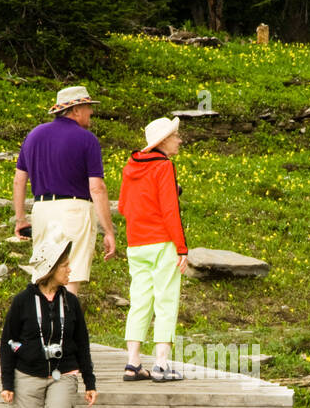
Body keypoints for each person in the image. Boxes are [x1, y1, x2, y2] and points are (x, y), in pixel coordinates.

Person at [0, 227, 98, 408]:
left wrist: (89, 381)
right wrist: (8, 382)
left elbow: (82, 343)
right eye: (65, 265)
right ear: (51, 269)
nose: (70, 270)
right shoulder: (22, 301)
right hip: (26, 376)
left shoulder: (71, 301)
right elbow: (8, 342)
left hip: (63, 374)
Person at [13, 85, 117, 298]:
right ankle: (65, 327)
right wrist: (108, 230)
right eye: (88, 106)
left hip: (41, 209)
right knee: (71, 272)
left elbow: (19, 180)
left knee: (44, 272)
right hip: (74, 210)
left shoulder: (34, 136)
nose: (91, 112)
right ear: (76, 109)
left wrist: (20, 219)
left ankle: (43, 325)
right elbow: (97, 187)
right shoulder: (87, 139)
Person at [118, 116, 190, 383]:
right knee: (166, 300)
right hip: (162, 243)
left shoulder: (130, 167)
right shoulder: (164, 167)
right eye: (175, 136)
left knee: (139, 301)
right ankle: (161, 364)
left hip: (136, 244)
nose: (179, 140)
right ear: (162, 142)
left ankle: (133, 363)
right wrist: (181, 248)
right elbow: (170, 210)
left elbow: (124, 206)